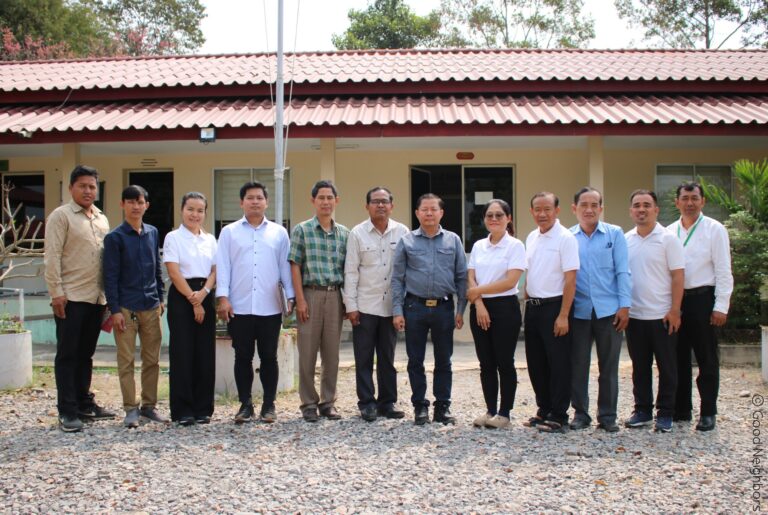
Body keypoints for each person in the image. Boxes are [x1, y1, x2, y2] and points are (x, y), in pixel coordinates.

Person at [44, 165, 115, 433]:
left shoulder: (101, 218)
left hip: (95, 298)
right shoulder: (60, 216)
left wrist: (108, 296)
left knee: (86, 354)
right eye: (83, 186)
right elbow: (51, 256)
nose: (88, 190)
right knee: (68, 355)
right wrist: (56, 293)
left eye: (92, 186)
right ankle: (67, 410)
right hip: (70, 297)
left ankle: (84, 403)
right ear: (71, 188)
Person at [217, 181, 294, 424]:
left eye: (259, 198)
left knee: (269, 356)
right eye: (250, 198)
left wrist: (289, 298)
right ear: (241, 202)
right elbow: (223, 266)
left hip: (270, 306)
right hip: (239, 306)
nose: (255, 201)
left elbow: (285, 267)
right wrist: (223, 297)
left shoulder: (278, 233)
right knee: (242, 357)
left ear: (266, 202)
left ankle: (269, 405)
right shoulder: (229, 232)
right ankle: (245, 404)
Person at [391, 193, 467, 426]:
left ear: (441, 213)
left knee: (444, 360)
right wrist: (397, 310)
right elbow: (397, 278)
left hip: (444, 307)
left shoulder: (453, 240)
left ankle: (442, 407)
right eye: (424, 209)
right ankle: (420, 406)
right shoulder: (407, 241)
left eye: (434, 209)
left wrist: (461, 309)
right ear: (417, 213)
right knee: (416, 359)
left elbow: (462, 276)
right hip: (414, 307)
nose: (429, 213)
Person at [668, 182, 733, 432]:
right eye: (685, 198)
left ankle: (708, 412)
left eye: (694, 198)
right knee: (677, 356)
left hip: (703, 299)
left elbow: (723, 270)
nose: (689, 203)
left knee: (706, 358)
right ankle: (681, 409)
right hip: (676, 301)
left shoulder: (714, 230)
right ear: (677, 203)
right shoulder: (670, 231)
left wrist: (721, 306)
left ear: (702, 201)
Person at [103, 185, 168, 428]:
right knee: (126, 360)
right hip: (126, 308)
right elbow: (109, 277)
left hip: (151, 305)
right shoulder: (114, 238)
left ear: (146, 205)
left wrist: (161, 298)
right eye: (130, 202)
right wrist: (115, 310)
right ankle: (130, 409)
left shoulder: (152, 232)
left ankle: (149, 406)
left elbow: (156, 269)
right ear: (122, 205)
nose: (135, 206)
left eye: (140, 201)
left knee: (152, 360)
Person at [343, 187, 409, 422]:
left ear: (392, 205)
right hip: (365, 306)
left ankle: (387, 403)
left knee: (387, 358)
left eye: (384, 201)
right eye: (375, 202)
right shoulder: (357, 233)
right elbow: (350, 271)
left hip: (392, 306)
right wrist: (350, 306)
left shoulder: (402, 232)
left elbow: (407, 271)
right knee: (363, 357)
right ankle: (367, 403)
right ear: (367, 206)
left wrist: (404, 307)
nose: (380, 205)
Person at [568, 187, 631, 433]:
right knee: (578, 364)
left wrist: (625, 305)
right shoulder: (568, 237)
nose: (589, 209)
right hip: (579, 311)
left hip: (609, 312)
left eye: (594, 204)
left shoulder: (614, 234)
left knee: (609, 366)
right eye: (584, 204)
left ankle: (607, 416)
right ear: (575, 209)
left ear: (601, 208)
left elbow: (623, 271)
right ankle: (580, 414)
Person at [624, 189, 685, 433]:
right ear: (631, 211)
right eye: (637, 205)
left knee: (667, 367)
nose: (642, 209)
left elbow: (678, 276)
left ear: (656, 210)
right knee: (640, 367)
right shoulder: (626, 239)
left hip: (662, 316)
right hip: (635, 316)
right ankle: (642, 410)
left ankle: (666, 412)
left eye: (647, 205)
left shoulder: (668, 238)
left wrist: (675, 311)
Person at [290, 180, 349, 422]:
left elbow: (348, 269)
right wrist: (300, 300)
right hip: (310, 294)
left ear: (337, 200)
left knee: (332, 353)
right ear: (313, 201)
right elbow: (295, 265)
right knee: (307, 352)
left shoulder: (345, 233)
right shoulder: (301, 230)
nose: (326, 202)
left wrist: (348, 302)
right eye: (321, 197)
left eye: (329, 197)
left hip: (335, 295)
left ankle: (328, 402)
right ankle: (308, 403)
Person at [523, 192, 580, 434]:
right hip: (533, 308)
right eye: (537, 209)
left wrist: (564, 314)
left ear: (557, 210)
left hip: (556, 307)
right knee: (537, 363)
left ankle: (559, 414)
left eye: (547, 209)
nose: (542, 214)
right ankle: (543, 409)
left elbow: (571, 279)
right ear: (532, 211)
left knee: (558, 364)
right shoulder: (531, 237)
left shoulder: (566, 238)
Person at [467, 199, 526, 429]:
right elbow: (470, 276)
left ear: (508, 218)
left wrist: (476, 292)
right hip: (480, 308)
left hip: (504, 308)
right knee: (486, 362)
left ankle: (504, 414)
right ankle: (490, 410)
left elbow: (510, 281)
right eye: (489, 215)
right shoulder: (480, 245)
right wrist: (479, 303)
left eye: (499, 215)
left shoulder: (515, 246)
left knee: (504, 361)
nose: (494, 219)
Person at [163, 192, 217, 426]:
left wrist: (204, 294)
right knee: (183, 353)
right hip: (182, 295)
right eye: (190, 209)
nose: (195, 214)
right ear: (182, 210)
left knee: (205, 353)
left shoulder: (210, 239)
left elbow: (215, 270)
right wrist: (194, 301)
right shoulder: (173, 237)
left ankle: (203, 408)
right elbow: (173, 272)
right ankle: (183, 409)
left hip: (205, 291)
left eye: (200, 210)